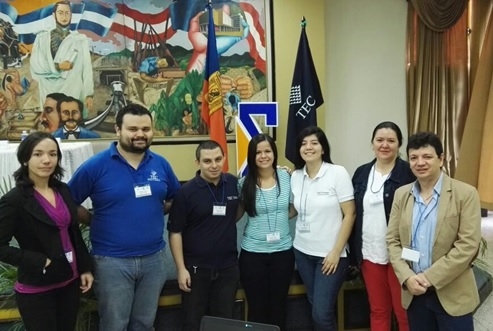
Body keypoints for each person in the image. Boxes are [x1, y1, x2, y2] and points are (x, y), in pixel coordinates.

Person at [68, 104, 181, 331]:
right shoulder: (95, 166)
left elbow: (175, 198)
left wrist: (155, 211)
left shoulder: (161, 164)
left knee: (144, 324)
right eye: (133, 129)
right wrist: (92, 220)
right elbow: (68, 203)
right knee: (114, 325)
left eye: (146, 129)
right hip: (112, 262)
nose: (140, 134)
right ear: (118, 130)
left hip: (154, 261)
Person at [386, 132, 481, 331]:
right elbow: (393, 241)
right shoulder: (402, 195)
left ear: (441, 159)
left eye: (427, 157)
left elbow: (468, 245)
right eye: (414, 158)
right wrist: (407, 277)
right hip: (414, 293)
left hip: (452, 293)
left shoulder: (465, 194)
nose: (420, 162)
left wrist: (429, 278)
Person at [0, 131, 93, 331]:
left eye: (52, 154)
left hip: (70, 279)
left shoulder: (63, 190)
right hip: (37, 287)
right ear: (25, 159)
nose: (46, 160)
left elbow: (73, 233)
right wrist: (40, 261)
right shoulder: (14, 200)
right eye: (38, 154)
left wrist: (85, 268)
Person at [168, 140, 240, 331]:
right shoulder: (185, 193)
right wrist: (181, 269)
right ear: (197, 163)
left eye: (218, 159)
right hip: (196, 270)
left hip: (228, 268)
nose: (214, 165)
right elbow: (175, 232)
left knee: (225, 322)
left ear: (224, 158)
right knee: (193, 322)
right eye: (207, 161)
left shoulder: (233, 183)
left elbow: (237, 212)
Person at [350, 121, 415, 331]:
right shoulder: (361, 173)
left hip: (401, 255)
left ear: (399, 145)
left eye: (391, 140)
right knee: (378, 310)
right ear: (372, 144)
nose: (384, 145)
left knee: (403, 311)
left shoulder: (409, 172)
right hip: (370, 252)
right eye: (380, 140)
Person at [290, 126, 355, 331]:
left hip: (329, 256)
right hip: (302, 251)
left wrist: (336, 252)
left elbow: (350, 214)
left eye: (314, 143)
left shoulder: (337, 173)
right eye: (303, 143)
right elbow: (294, 211)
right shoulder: (295, 176)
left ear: (323, 148)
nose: (308, 147)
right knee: (315, 305)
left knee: (321, 313)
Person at [237, 133, 296, 330]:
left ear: (274, 153)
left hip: (283, 253)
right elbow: (237, 214)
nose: (263, 156)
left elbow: (295, 207)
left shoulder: (287, 177)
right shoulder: (243, 183)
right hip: (253, 255)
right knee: (257, 308)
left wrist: (278, 221)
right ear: (252, 156)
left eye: (267, 151)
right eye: (258, 152)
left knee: (279, 306)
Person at [30, 1, 94, 118]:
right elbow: (35, 65)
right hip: (48, 91)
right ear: (54, 15)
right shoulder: (42, 38)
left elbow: (87, 68)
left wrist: (89, 94)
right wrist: (58, 67)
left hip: (73, 89)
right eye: (60, 13)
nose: (64, 16)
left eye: (67, 13)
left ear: (71, 15)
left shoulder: (80, 39)